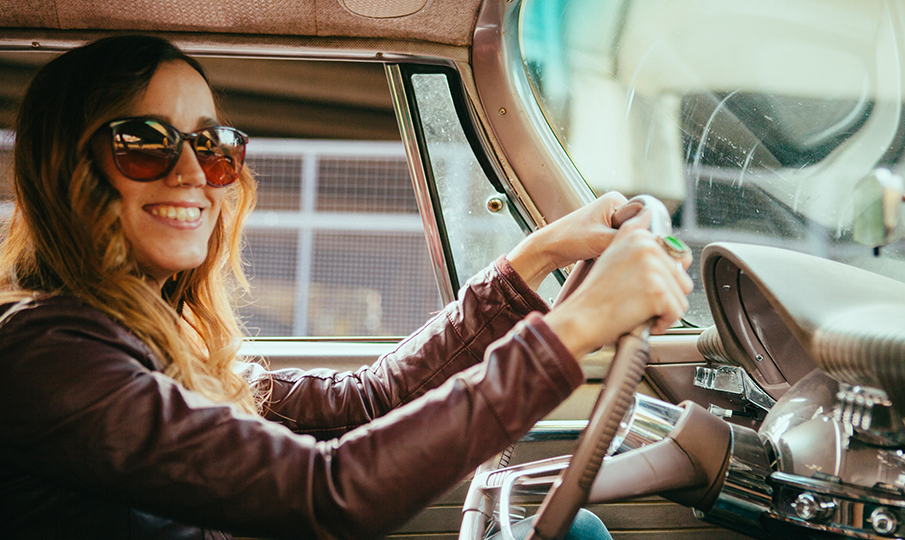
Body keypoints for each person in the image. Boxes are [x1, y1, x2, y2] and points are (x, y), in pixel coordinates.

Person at [0, 35, 693, 539]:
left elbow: (362, 402)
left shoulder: (162, 329)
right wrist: (571, 331)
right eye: (145, 142)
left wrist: (535, 256)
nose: (191, 173)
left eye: (212, 146)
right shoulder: (51, 358)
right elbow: (325, 496)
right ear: (69, 168)